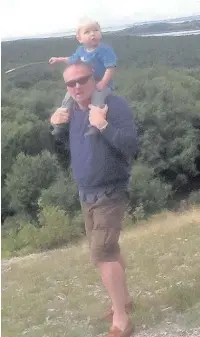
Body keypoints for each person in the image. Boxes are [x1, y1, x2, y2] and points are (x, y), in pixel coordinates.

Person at [50, 61, 139, 337]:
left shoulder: (114, 104)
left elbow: (131, 145)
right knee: (107, 249)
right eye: (70, 83)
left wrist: (103, 125)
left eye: (82, 79)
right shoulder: (71, 113)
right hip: (85, 192)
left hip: (111, 190)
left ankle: (122, 318)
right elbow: (63, 149)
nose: (77, 86)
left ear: (94, 78)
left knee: (102, 252)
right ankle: (123, 300)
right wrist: (53, 126)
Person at [49, 17, 117, 136]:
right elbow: (71, 60)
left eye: (96, 30)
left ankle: (95, 127)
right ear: (79, 38)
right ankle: (61, 123)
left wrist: (103, 83)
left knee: (97, 99)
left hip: (103, 84)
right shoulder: (81, 51)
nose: (93, 34)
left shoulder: (104, 50)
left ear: (100, 33)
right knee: (69, 95)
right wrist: (58, 59)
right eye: (87, 32)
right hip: (88, 82)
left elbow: (111, 68)